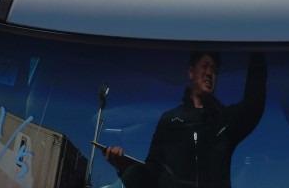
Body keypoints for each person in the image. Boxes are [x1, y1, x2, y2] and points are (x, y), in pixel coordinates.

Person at [105, 52, 267, 188]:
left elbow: (254, 105)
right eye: (205, 66)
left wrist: (257, 50)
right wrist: (123, 166)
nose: (209, 73)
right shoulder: (170, 120)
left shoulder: (225, 120)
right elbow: (153, 172)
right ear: (191, 72)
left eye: (214, 69)